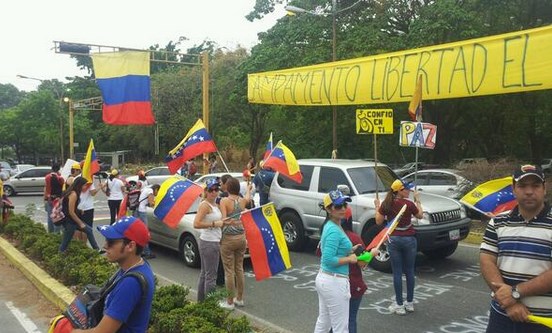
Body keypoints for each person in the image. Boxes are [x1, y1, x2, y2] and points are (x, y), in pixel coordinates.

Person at [480, 164, 552, 333]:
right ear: (513, 189)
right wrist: (510, 304)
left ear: (544, 188)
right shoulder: (497, 222)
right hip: (501, 316)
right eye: (522, 186)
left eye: (535, 186)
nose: (529, 191)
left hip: (543, 321)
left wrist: (515, 293)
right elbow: (486, 260)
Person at [72, 216, 155, 332]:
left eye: (111, 242)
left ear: (130, 246)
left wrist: (69, 331)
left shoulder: (131, 283)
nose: (105, 246)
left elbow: (103, 331)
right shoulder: (135, 267)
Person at [374, 179, 423, 315]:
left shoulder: (387, 203)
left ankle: (400, 305)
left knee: (397, 272)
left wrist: (377, 207)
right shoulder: (409, 204)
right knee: (409, 271)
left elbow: (378, 221)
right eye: (407, 189)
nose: (409, 191)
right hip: (409, 239)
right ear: (399, 191)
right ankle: (410, 303)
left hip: (394, 239)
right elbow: (420, 215)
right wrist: (418, 200)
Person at [314, 190, 357, 333]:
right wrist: (350, 258)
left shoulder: (332, 225)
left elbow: (333, 251)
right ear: (328, 209)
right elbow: (328, 259)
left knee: (324, 322)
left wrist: (351, 250)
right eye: (338, 206)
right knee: (341, 327)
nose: (343, 209)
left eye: (344, 204)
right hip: (334, 281)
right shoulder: (333, 229)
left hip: (327, 279)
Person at [218, 177, 251, 310]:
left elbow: (224, 220)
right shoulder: (242, 201)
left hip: (228, 238)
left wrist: (226, 222)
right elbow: (248, 198)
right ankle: (240, 298)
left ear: (228, 188)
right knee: (239, 268)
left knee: (229, 271)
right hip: (241, 237)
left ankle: (230, 302)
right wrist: (248, 189)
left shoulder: (224, 201)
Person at [193, 178, 225, 301]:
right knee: (211, 276)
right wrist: (214, 224)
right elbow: (196, 224)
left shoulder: (215, 204)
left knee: (205, 274)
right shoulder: (205, 205)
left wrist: (223, 222)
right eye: (211, 190)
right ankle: (209, 305)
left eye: (216, 189)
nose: (214, 192)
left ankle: (201, 303)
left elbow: (217, 221)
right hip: (209, 242)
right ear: (206, 191)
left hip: (212, 241)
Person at [59, 177, 100, 253]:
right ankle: (59, 255)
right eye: (84, 185)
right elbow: (71, 212)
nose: (86, 187)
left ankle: (97, 249)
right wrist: (80, 223)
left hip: (71, 220)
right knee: (65, 243)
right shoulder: (73, 194)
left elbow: (70, 208)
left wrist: (79, 210)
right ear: (79, 185)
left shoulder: (73, 192)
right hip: (69, 221)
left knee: (89, 230)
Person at [134, 184, 160, 259]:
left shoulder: (146, 188)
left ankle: (140, 251)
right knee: (145, 232)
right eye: (157, 192)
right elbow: (151, 203)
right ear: (156, 189)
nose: (156, 194)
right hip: (142, 212)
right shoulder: (150, 191)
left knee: (138, 231)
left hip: (137, 210)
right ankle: (147, 252)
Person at [44, 163, 64, 234]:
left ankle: (50, 232)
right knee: (57, 216)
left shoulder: (47, 177)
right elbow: (62, 188)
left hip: (49, 199)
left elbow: (46, 188)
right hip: (58, 200)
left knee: (50, 216)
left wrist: (45, 199)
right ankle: (57, 233)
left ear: (52, 168)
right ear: (58, 169)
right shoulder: (60, 178)